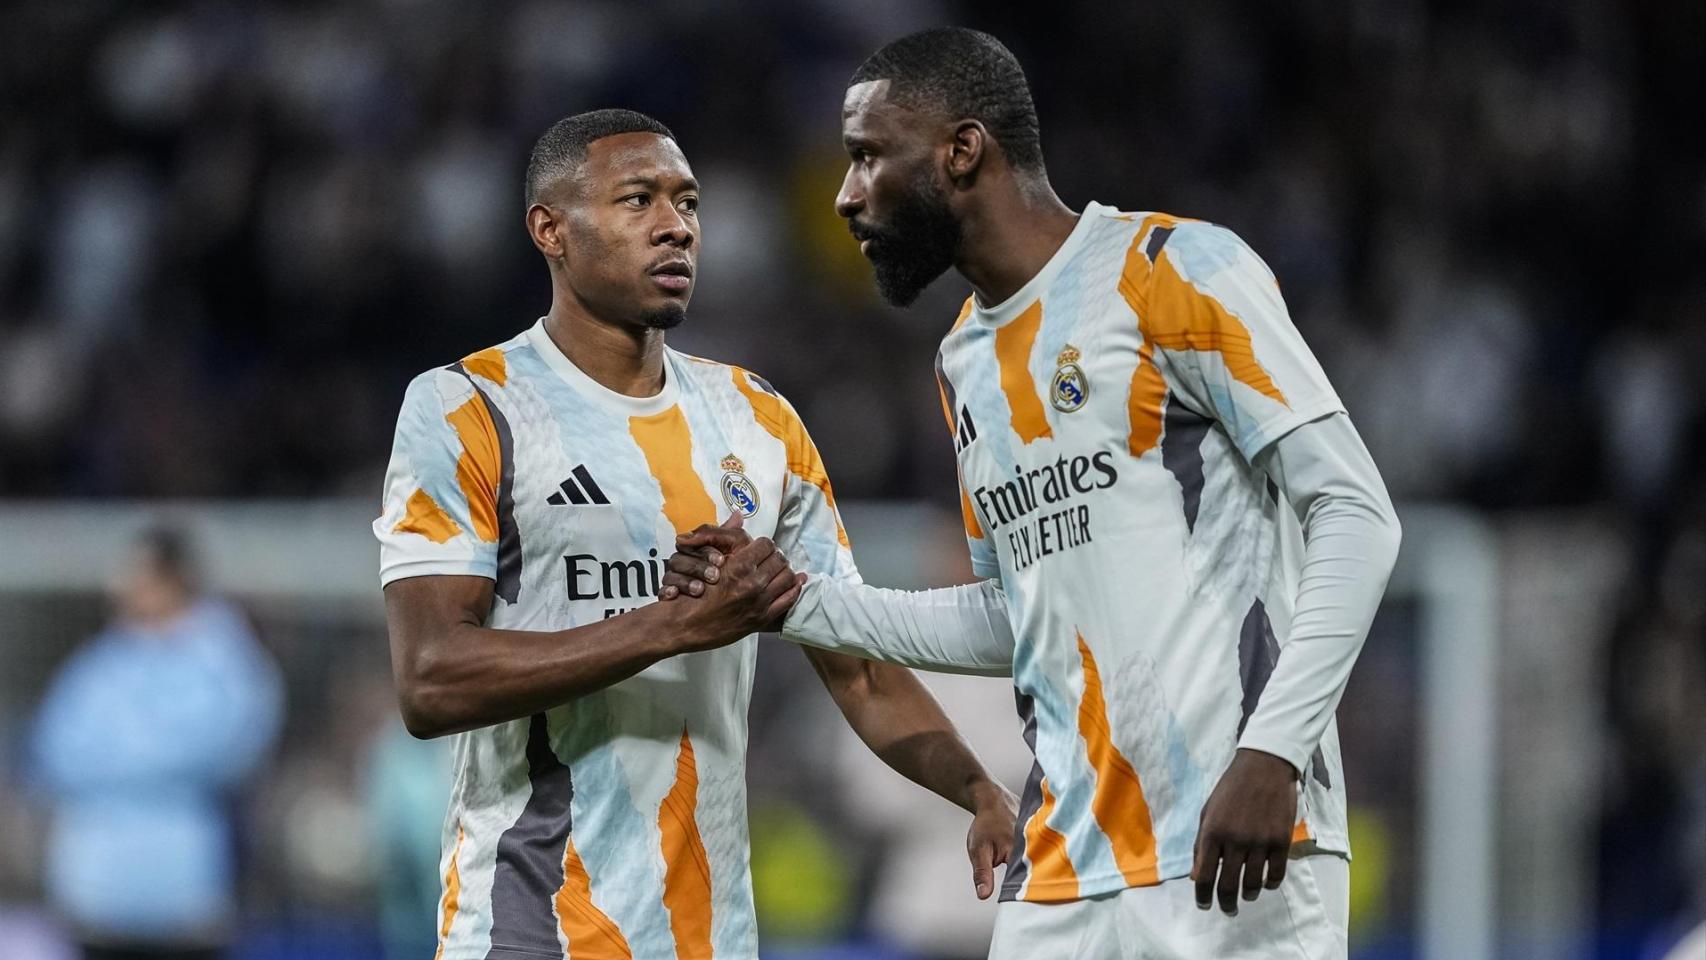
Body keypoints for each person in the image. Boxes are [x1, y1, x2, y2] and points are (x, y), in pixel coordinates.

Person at [663, 27, 1401, 960]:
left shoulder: (1173, 271)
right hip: (1060, 871)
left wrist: (1275, 750)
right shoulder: (963, 362)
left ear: (961, 152)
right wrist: (791, 602)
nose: (846, 196)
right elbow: (1017, 621)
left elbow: (1358, 515)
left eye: (865, 158)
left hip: (1234, 840)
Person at [371, 108, 1016, 960]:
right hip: (529, 927)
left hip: (708, 937)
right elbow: (429, 680)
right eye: (638, 200)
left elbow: (857, 668)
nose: (676, 226)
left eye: (688, 202)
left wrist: (973, 786)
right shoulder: (467, 408)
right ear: (550, 230)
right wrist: (676, 624)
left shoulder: (757, 419)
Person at [30, 526, 284, 960]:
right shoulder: (100, 663)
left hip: (185, 899)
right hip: (97, 897)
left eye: (137, 574)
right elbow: (53, 751)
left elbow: (223, 750)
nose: (121, 587)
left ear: (175, 579)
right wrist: (153, 753)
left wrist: (116, 757)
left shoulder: (228, 661)